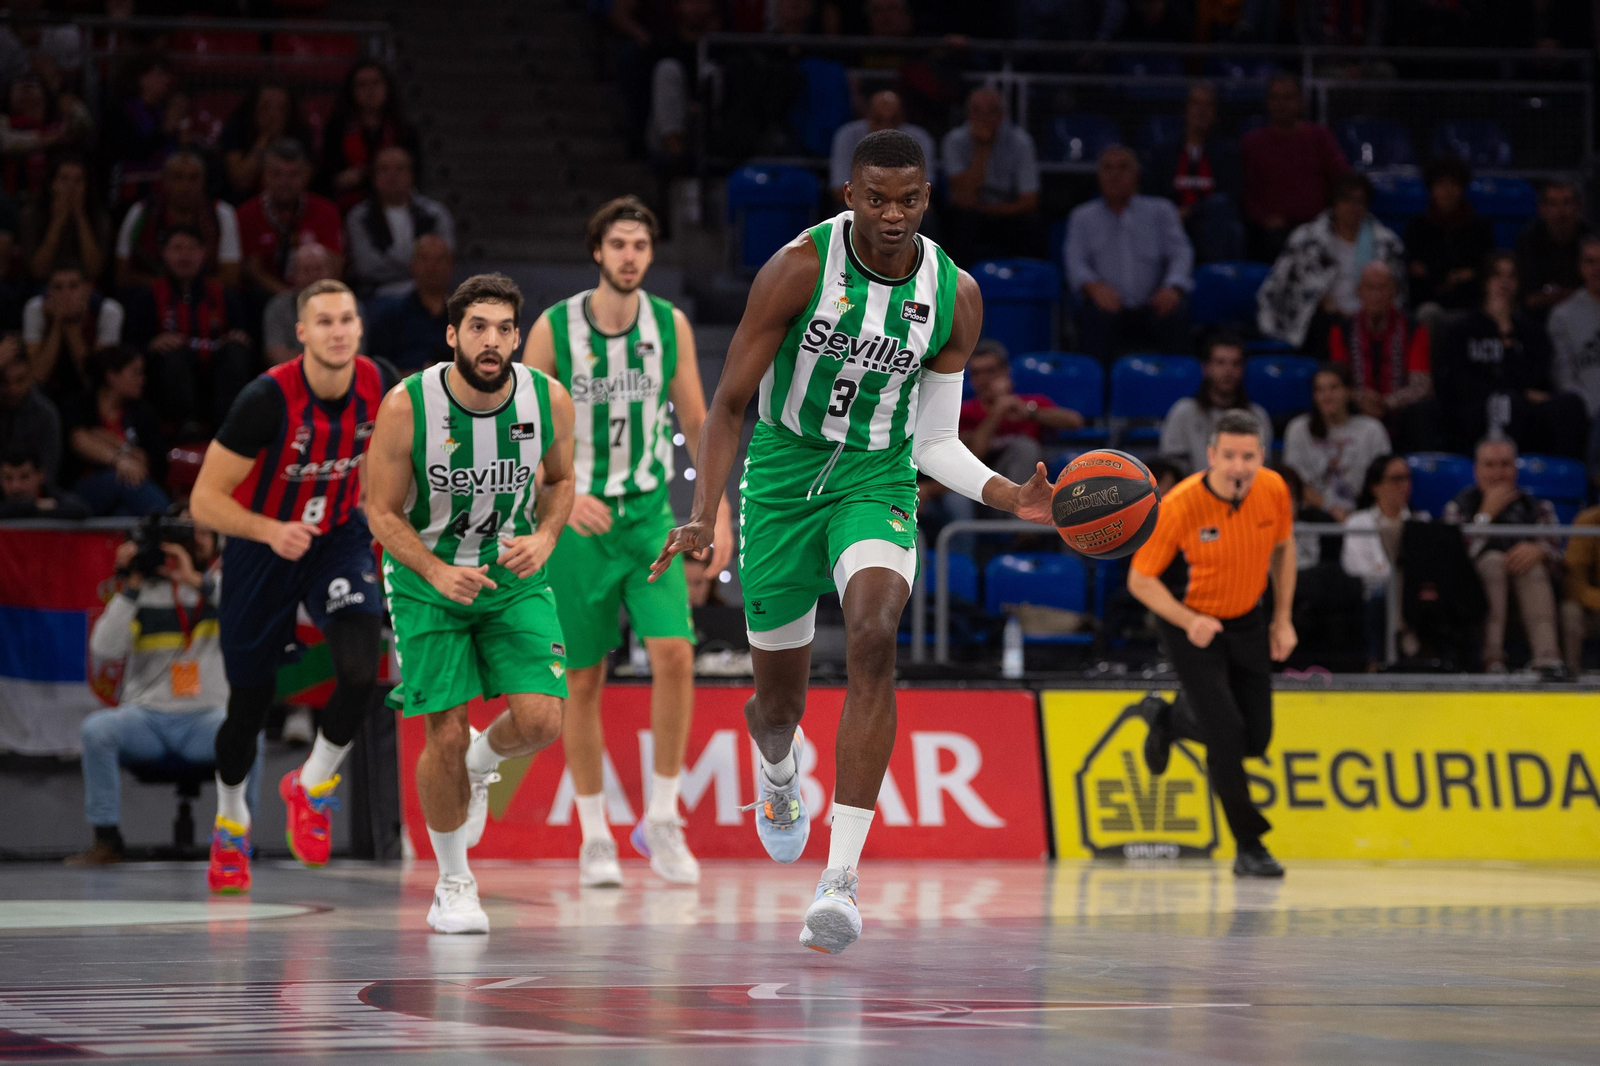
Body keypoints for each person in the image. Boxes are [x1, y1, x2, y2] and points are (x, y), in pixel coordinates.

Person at [652, 130, 1054, 954]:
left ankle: (839, 880)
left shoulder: (956, 295)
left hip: (875, 477)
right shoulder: (798, 269)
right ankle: (777, 772)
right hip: (779, 477)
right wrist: (704, 510)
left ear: (927, 198)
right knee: (779, 707)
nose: (894, 214)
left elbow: (936, 439)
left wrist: (1008, 493)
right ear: (849, 196)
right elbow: (728, 404)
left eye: (909, 199)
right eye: (877, 198)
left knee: (874, 638)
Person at [522, 197, 731, 887]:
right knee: (583, 678)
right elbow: (522, 430)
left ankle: (663, 820)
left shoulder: (667, 325)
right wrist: (562, 496)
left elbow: (700, 419)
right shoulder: (554, 330)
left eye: (641, 243)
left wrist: (717, 509)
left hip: (646, 514)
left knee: (675, 653)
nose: (631, 255)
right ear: (597, 252)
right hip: (579, 520)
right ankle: (593, 835)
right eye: (619, 243)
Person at [366, 274, 577, 934]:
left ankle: (484, 764)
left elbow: (562, 479)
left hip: (510, 573)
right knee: (445, 731)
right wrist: (433, 568)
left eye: (505, 329)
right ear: (453, 335)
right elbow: (379, 508)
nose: (492, 341)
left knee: (543, 720)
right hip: (426, 577)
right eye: (478, 327)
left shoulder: (548, 399)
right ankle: (453, 883)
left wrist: (545, 535)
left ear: (518, 337)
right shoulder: (408, 406)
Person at [188, 280, 387, 894]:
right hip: (261, 546)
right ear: (301, 332)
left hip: (337, 537)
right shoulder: (265, 400)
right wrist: (270, 530)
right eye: (324, 321)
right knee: (249, 705)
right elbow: (203, 501)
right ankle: (231, 821)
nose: (337, 330)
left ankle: (314, 782)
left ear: (359, 327)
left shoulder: (382, 383)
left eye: (347, 319)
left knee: (362, 664)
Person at [1129, 411, 1295, 876]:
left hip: (1247, 620)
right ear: (1210, 456)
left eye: (1248, 456)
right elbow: (1140, 580)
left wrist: (1282, 620)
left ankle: (1169, 717)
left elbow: (1285, 549)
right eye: (1229, 456)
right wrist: (1189, 620)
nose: (1239, 466)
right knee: (1225, 737)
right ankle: (1250, 847)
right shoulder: (1180, 505)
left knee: (1255, 738)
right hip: (1191, 627)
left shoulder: (1273, 490)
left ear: (1261, 455)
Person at [67, 514, 262, 866]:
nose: (195, 541)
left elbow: (252, 617)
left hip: (206, 719)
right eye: (186, 534)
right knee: (97, 729)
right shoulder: (139, 593)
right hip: (147, 719)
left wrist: (195, 580)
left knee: (250, 734)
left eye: (203, 533)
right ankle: (107, 840)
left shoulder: (222, 585)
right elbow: (104, 649)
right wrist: (131, 584)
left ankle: (236, 839)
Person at [1434, 251, 1588, 460]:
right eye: (1498, 275)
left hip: (1524, 411)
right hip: (1476, 411)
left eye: (1511, 276)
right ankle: (1498, 467)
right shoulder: (1461, 330)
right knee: (1507, 401)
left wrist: (1506, 334)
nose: (1504, 282)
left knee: (1571, 404)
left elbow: (1534, 379)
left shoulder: (1532, 332)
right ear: (1486, 282)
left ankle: (1567, 478)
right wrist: (1512, 392)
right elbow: (1459, 383)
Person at [1441, 437, 1566, 676]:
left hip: (1527, 582)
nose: (1498, 473)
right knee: (1493, 562)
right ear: (1476, 470)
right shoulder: (1458, 507)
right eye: (1490, 465)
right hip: (1476, 589)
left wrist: (1541, 552)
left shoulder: (1537, 506)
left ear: (1515, 468)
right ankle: (1492, 659)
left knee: (1534, 568)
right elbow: (1453, 560)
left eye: (1505, 464)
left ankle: (1548, 659)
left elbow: (1561, 560)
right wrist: (1484, 517)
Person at [1067, 144, 1194, 361]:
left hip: (1154, 302)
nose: (1115, 174)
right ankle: (1100, 389)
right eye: (1108, 168)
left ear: (1137, 174)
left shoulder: (1161, 210)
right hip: (1107, 305)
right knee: (1092, 317)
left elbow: (1181, 253)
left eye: (1123, 167)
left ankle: (1179, 388)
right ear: (1099, 175)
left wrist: (1173, 287)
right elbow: (1075, 261)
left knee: (1177, 312)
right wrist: (1094, 286)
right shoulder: (1082, 217)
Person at [122, 226, 255, 433]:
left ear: (204, 253)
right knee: (173, 355)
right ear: (164, 253)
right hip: (168, 385)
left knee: (236, 352)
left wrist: (238, 339)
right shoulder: (147, 297)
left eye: (192, 249)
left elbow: (244, 337)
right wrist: (152, 344)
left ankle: (231, 428)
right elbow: (130, 348)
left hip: (216, 381)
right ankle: (186, 427)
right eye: (177, 248)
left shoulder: (225, 296)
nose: (185, 256)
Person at [1257, 172, 1405, 354]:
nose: (1353, 207)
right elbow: (1285, 285)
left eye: (1360, 201)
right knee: (1324, 325)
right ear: (1334, 202)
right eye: (1346, 200)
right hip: (1324, 317)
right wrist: (1323, 301)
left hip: (1370, 315)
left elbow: (1397, 292)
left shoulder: (1386, 242)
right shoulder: (1307, 239)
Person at [1327, 261, 1435, 451]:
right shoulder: (1341, 330)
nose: (1376, 295)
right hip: (1356, 413)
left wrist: (1386, 402)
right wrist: (1359, 397)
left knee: (1422, 412)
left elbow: (1421, 385)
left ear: (1393, 291)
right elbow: (1335, 382)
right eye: (1370, 288)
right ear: (1359, 291)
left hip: (1400, 417)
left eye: (1383, 288)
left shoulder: (1414, 328)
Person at [960, 338, 1084, 487]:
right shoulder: (964, 411)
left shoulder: (1029, 402)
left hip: (1025, 476)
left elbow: (1075, 421)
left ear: (1006, 371)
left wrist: (1030, 413)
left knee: (1025, 447)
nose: (983, 379)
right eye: (976, 373)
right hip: (981, 481)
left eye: (990, 371)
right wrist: (997, 411)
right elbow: (974, 456)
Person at [60, 345, 167, 517]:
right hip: (83, 492)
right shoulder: (80, 404)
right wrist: (120, 461)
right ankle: (164, 518)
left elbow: (144, 465)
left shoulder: (143, 413)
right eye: (135, 373)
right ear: (112, 375)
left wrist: (113, 443)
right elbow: (80, 442)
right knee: (121, 479)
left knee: (123, 514)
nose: (142, 379)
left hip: (129, 494)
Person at [1143, 81, 1243, 264]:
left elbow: (1232, 196)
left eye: (1207, 105)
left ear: (1215, 114)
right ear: (1186, 110)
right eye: (1196, 103)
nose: (1201, 110)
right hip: (1170, 224)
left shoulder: (1228, 153)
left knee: (1221, 210)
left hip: (1210, 225)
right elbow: (1150, 194)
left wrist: (1191, 212)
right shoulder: (1163, 153)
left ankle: (1214, 278)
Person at [940, 86, 1042, 265]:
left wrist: (989, 210)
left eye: (992, 111)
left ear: (1003, 114)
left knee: (1033, 223)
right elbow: (963, 198)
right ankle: (958, 285)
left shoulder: (1021, 142)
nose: (984, 118)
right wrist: (982, 147)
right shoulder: (954, 141)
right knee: (961, 220)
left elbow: (1029, 200)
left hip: (1008, 212)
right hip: (971, 215)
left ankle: (1029, 285)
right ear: (968, 114)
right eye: (977, 111)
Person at [114, 150, 242, 291]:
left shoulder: (222, 213)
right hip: (151, 299)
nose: (186, 186)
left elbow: (230, 277)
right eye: (178, 177)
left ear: (204, 181)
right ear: (165, 180)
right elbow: (122, 275)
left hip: (205, 302)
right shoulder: (141, 212)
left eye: (193, 178)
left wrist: (187, 293)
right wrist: (168, 291)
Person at [1343, 453, 1424, 671]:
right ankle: (1378, 660)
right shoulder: (1359, 522)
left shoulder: (1421, 522)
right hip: (1372, 594)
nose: (1404, 485)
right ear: (1375, 486)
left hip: (1412, 595)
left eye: (1407, 478)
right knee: (1384, 592)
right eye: (1396, 479)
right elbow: (1355, 566)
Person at [1283, 362, 1391, 521]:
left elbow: (1383, 480)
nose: (1326, 396)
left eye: (1333, 388)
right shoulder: (1298, 429)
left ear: (1349, 392)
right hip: (1314, 514)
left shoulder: (1371, 429)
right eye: (1320, 390)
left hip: (1363, 512)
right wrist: (1330, 508)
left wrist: (1354, 515)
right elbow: (1295, 483)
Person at [236, 139, 344, 298]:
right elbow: (253, 270)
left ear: (306, 175)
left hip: (316, 295)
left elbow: (334, 265)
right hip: (265, 298)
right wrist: (289, 298)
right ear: (263, 175)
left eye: (293, 174)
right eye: (276, 174)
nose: (284, 182)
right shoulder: (247, 213)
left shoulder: (325, 211)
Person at [344, 146, 455, 298]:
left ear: (411, 174)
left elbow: (444, 260)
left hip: (428, 294)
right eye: (384, 169)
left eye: (400, 169)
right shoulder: (358, 217)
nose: (392, 175)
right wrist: (418, 262)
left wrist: (393, 259)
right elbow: (367, 267)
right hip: (378, 295)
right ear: (374, 176)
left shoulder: (436, 214)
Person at [1159, 332, 1273, 476]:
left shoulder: (1257, 416)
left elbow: (1261, 472)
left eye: (1235, 364)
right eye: (1220, 362)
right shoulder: (1183, 412)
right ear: (1206, 368)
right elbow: (1172, 471)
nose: (1228, 371)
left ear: (1243, 369)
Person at [316, 62, 422, 213]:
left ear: (387, 87)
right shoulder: (337, 128)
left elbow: (415, 173)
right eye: (362, 85)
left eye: (375, 83)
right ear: (351, 90)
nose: (370, 90)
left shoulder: (404, 129)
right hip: (346, 206)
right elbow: (326, 176)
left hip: (394, 207)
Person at [1405, 156, 1494, 320]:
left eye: (1453, 184)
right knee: (1428, 313)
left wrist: (1470, 275)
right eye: (1440, 184)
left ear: (1462, 188)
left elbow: (1486, 269)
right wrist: (1450, 278)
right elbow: (1414, 272)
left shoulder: (1479, 226)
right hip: (1429, 303)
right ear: (1431, 189)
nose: (1447, 191)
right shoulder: (1417, 226)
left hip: (1469, 303)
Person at [23, 262, 123, 401]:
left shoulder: (108, 312)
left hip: (89, 398)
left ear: (88, 289)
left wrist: (71, 326)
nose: (66, 294)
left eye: (73, 286)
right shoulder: (35, 309)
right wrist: (58, 324)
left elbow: (95, 381)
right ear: (48, 291)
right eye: (58, 287)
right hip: (48, 393)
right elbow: (37, 378)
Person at [1547, 235, 1600, 475]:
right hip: (1589, 415)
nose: (1596, 268)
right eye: (1590, 261)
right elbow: (1563, 378)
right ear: (1580, 267)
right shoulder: (1563, 316)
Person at [828, 90, 936, 204]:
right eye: (879, 120)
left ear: (902, 117)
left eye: (892, 120)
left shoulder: (920, 138)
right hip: (860, 206)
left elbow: (925, 190)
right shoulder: (847, 135)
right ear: (868, 115)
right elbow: (839, 190)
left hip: (905, 205)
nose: (886, 128)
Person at [366, 233, 453, 372]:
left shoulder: (462, 317)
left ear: (450, 264)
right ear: (413, 264)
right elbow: (376, 371)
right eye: (425, 259)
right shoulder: (390, 316)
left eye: (439, 259)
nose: (432, 266)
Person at [218, 82, 314, 204]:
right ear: (254, 108)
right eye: (265, 107)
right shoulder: (237, 127)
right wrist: (263, 139)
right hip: (244, 203)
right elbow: (241, 181)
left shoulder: (302, 131)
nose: (273, 114)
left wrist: (278, 139)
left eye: (281, 108)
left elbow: (302, 182)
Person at [262, 243, 356, 366]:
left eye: (318, 269)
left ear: (331, 273)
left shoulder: (349, 305)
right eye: (305, 270)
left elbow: (354, 355)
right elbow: (276, 354)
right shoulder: (278, 307)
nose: (313, 276)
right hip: (291, 380)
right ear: (294, 275)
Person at [21, 153, 109, 283]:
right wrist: (57, 222)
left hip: (84, 286)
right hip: (44, 286)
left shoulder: (98, 217)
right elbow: (38, 271)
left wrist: (80, 218)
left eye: (78, 180)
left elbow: (94, 270)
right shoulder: (32, 214)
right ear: (52, 184)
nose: (71, 187)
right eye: (64, 179)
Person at [1517, 179, 1589, 323]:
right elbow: (1528, 298)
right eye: (1553, 204)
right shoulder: (1528, 240)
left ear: (1579, 207)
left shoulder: (1591, 240)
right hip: (1537, 319)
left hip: (1585, 318)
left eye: (1567, 202)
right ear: (1541, 209)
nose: (1561, 211)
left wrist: (1552, 295)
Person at [0, 336, 60, 484]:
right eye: (4, 382)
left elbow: (48, 473)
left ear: (30, 375)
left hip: (33, 498)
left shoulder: (45, 413)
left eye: (20, 380)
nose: (13, 390)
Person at [1561, 502, 1600, 674]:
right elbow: (1574, 583)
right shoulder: (1589, 522)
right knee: (1570, 611)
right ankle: (1571, 676)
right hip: (1595, 609)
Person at [0, 444, 87, 519]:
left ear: (41, 475)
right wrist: (35, 506)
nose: (16, 487)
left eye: (24, 477)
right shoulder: (41, 504)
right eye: (8, 478)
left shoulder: (51, 494)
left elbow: (80, 510)